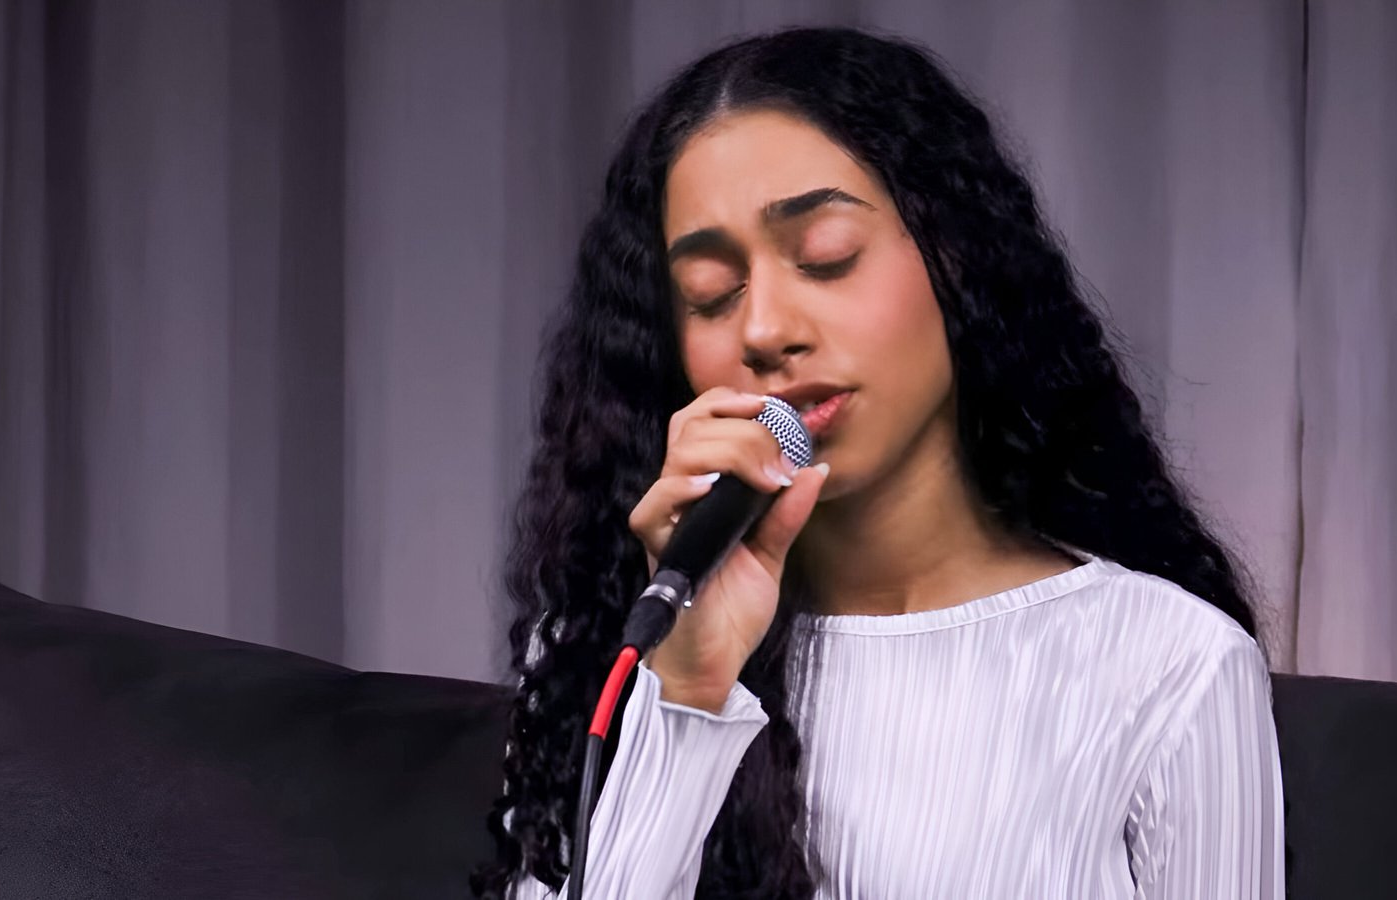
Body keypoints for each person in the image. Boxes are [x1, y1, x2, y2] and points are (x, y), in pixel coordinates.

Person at [472, 25, 1284, 900]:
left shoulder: (1173, 663)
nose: (765, 329)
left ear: (956, 254)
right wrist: (688, 690)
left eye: (827, 257)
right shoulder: (617, 647)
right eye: (711, 294)